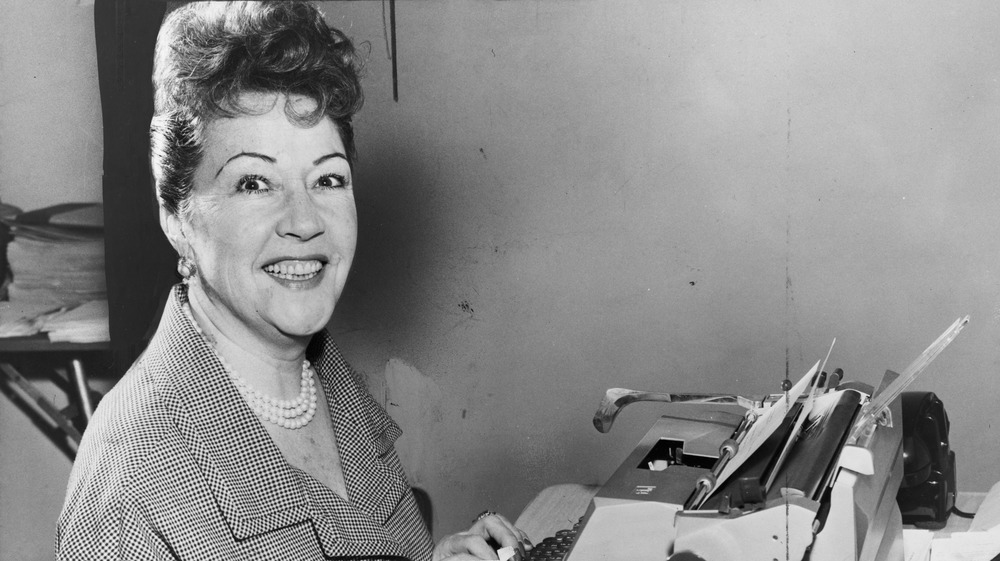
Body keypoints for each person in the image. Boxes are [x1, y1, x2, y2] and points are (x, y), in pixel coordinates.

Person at [56, 2, 530, 560]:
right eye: (255, 183)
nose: (306, 222)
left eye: (328, 178)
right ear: (178, 219)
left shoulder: (330, 386)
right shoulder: (131, 483)